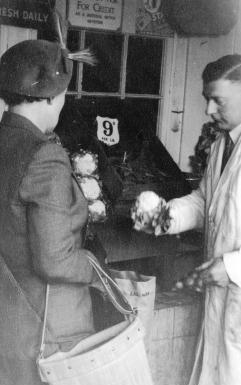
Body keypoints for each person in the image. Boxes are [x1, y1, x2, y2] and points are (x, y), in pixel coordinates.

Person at [141, 54, 241, 384]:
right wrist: (166, 217)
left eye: (218, 100)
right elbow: (205, 201)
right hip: (225, 299)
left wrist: (232, 266)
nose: (209, 110)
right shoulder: (223, 144)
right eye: (206, 99)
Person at [0, 39, 106, 385]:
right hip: (49, 333)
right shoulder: (45, 156)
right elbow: (55, 261)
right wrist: (96, 267)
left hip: (9, 329)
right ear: (51, 96)